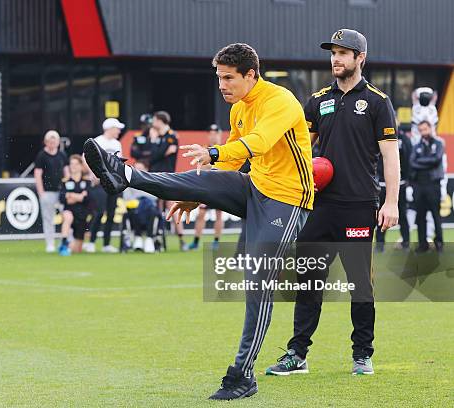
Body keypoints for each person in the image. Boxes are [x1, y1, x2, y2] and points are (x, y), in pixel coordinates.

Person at [84, 42, 314, 400]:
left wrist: (212, 152)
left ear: (251, 75)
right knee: (200, 178)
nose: (221, 84)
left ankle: (242, 376)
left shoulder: (280, 100)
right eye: (218, 77)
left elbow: (258, 143)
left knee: (257, 282)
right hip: (255, 186)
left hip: (288, 198)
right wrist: (198, 194)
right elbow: (231, 162)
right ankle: (125, 176)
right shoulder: (239, 107)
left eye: (228, 78)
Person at [266, 29, 399, 377]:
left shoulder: (377, 101)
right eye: (333, 53)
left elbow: (390, 158)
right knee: (308, 279)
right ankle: (297, 354)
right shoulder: (317, 100)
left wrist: (391, 203)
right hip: (319, 206)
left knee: (360, 283)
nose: (336, 59)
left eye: (344, 53)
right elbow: (300, 149)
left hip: (358, 205)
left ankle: (362, 354)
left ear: (360, 58)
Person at [84, 118, 125, 254]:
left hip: (113, 183)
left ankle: (106, 244)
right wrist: (93, 174)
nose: (119, 131)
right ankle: (91, 242)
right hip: (100, 183)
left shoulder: (117, 144)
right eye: (117, 128)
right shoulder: (97, 141)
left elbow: (119, 163)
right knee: (99, 212)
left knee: (111, 213)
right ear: (109, 128)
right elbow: (84, 158)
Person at [149, 110, 188, 251]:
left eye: (154, 120)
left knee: (173, 207)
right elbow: (153, 156)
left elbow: (158, 154)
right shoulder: (154, 136)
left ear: (160, 121)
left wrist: (159, 150)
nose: (152, 123)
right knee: (157, 208)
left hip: (168, 176)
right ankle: (157, 238)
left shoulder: (172, 136)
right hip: (154, 175)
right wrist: (158, 147)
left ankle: (182, 239)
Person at [375, 124, 412, 252]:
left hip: (399, 185)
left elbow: (409, 159)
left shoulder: (403, 139)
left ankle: (406, 242)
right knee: (380, 215)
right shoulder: (378, 137)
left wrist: (406, 179)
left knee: (402, 214)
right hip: (381, 184)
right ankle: (380, 245)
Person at [410, 120, 444, 253]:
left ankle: (439, 242)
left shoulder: (438, 143)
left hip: (433, 185)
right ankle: (422, 244)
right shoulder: (416, 146)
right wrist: (428, 162)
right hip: (419, 186)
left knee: (436, 215)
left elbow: (436, 160)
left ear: (430, 128)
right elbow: (412, 163)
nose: (423, 132)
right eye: (421, 130)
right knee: (420, 216)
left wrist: (421, 161)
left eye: (425, 129)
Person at [188, 124, 225, 251]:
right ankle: (196, 241)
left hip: (220, 186)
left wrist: (211, 166)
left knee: (219, 214)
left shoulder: (224, 149)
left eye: (215, 132)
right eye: (210, 132)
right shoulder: (204, 149)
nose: (213, 135)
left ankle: (216, 241)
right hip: (207, 186)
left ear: (219, 134)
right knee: (201, 213)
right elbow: (201, 168)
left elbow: (225, 168)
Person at [33, 130, 68, 253]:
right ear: (46, 142)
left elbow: (66, 172)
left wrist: (68, 188)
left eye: (55, 140)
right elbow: (37, 174)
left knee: (68, 216)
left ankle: (67, 241)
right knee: (48, 219)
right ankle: (50, 244)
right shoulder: (41, 156)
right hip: (47, 192)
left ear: (58, 142)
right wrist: (41, 192)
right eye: (50, 140)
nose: (53, 142)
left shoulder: (62, 155)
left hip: (61, 192)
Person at [122, 161, 161, 253]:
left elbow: (155, 197)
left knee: (149, 207)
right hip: (134, 209)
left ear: (146, 169)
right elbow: (127, 198)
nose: (138, 170)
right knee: (137, 208)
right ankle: (138, 237)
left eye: (141, 168)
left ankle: (149, 239)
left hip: (149, 209)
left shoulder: (152, 181)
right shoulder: (128, 183)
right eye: (136, 168)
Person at [58, 155, 92, 256]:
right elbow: (63, 199)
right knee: (68, 216)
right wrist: (79, 196)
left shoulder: (87, 182)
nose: (73, 166)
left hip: (82, 215)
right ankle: (64, 243)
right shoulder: (65, 181)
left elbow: (87, 199)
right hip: (69, 210)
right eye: (71, 164)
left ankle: (69, 245)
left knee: (77, 250)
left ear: (81, 166)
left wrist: (71, 195)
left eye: (76, 164)